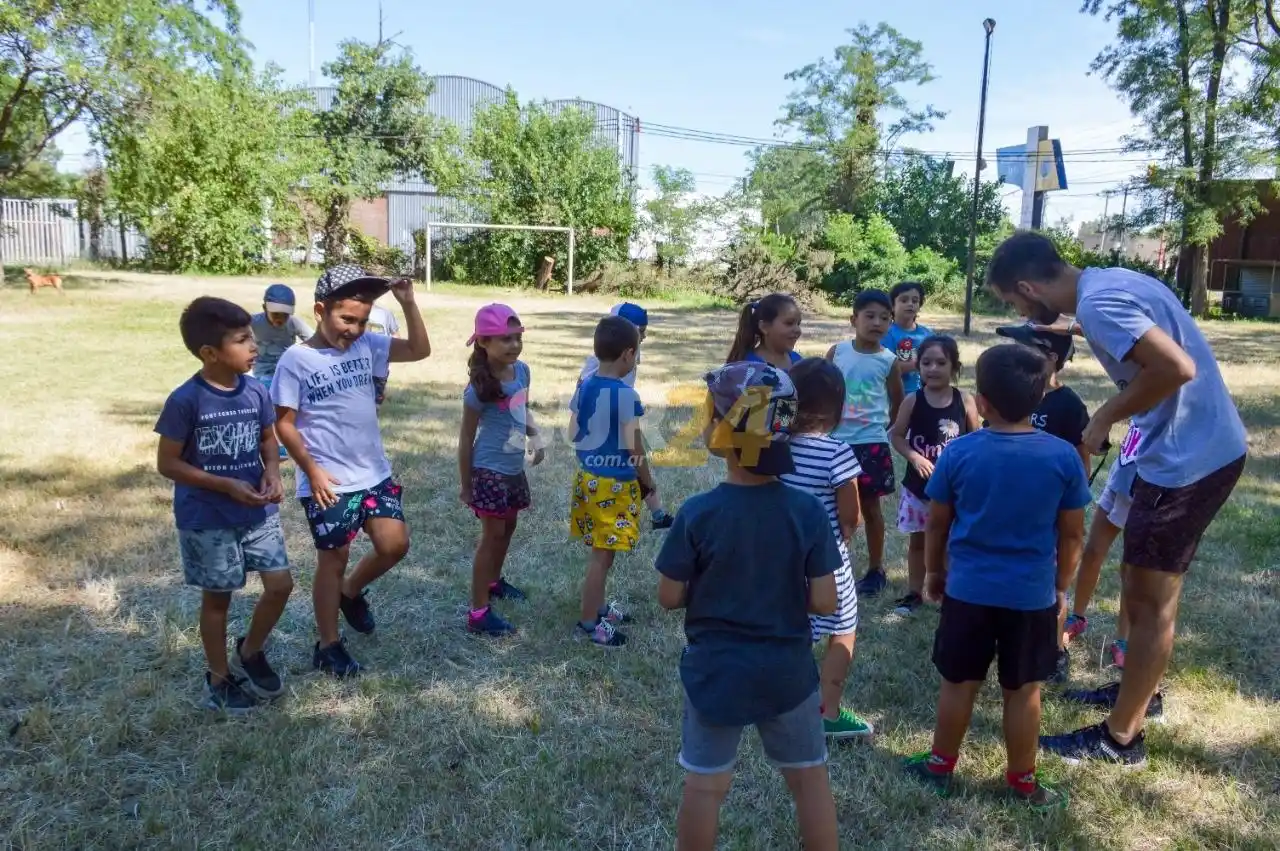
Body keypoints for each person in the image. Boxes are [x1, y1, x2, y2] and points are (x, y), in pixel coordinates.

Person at [986, 231, 1247, 767]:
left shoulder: (1101, 302)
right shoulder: (1110, 284)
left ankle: (1120, 739)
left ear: (1027, 286)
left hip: (1187, 458)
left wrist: (1103, 417)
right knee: (1142, 583)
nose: (1021, 313)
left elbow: (1176, 368)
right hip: (1192, 447)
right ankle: (1139, 694)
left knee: (1150, 598)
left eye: (1013, 302)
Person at [657, 361, 839, 851]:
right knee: (809, 780)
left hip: (715, 673)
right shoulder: (806, 510)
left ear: (724, 431)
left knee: (705, 785)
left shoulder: (697, 513)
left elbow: (669, 596)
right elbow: (824, 599)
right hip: (788, 672)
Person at [903, 344, 1089, 809]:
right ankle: (1023, 781)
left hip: (967, 591)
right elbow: (1072, 536)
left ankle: (940, 766)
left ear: (980, 403)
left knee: (958, 683)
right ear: (1041, 398)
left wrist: (933, 573)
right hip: (1031, 597)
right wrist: (1061, 588)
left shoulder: (960, 453)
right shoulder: (1064, 457)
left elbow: (938, 523)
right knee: (1025, 692)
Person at [271, 264, 432, 678]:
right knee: (333, 559)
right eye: (346, 319)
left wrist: (409, 304)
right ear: (320, 310)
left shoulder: (368, 346)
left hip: (373, 473)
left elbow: (419, 351)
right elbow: (284, 423)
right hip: (328, 482)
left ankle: (350, 592)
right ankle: (328, 645)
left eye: (362, 321)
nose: (354, 330)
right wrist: (313, 471)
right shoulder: (297, 360)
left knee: (395, 545)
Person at [155, 296, 292, 714]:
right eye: (242, 340)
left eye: (252, 337)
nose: (254, 346)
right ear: (210, 353)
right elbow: (168, 463)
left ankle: (249, 651)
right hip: (207, 517)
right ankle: (218, 677)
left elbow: (269, 439)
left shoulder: (255, 390)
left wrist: (272, 472)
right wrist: (224, 485)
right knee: (218, 600)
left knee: (281, 585)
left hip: (256, 511)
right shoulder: (186, 400)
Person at [780, 357, 874, 740]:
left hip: (782, 560)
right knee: (842, 629)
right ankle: (827, 711)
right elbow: (850, 514)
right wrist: (850, 529)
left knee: (792, 630)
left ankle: (782, 701)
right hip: (827, 563)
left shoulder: (776, 448)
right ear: (838, 408)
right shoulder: (837, 453)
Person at [459, 303, 545, 637]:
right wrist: (466, 485)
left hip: (511, 469)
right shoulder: (478, 388)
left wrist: (535, 436)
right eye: (503, 339)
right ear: (483, 342)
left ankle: (494, 582)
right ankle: (478, 612)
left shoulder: (522, 371)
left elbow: (522, 409)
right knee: (491, 537)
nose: (513, 345)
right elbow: (466, 439)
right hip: (488, 470)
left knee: (508, 529)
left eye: (516, 337)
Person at [569, 316, 656, 647]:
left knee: (602, 550)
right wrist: (648, 481)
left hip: (589, 479)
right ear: (628, 354)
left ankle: (600, 606)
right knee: (602, 557)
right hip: (614, 485)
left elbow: (578, 430)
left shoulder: (587, 384)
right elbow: (635, 447)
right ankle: (589, 623)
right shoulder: (625, 395)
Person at [887, 335, 979, 616]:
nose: (933, 368)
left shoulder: (964, 400)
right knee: (918, 541)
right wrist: (914, 457)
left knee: (951, 542)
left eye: (941, 362)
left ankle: (949, 593)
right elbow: (897, 435)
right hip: (918, 488)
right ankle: (914, 592)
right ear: (918, 366)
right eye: (926, 362)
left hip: (954, 491)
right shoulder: (912, 401)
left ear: (954, 367)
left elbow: (976, 439)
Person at [826, 289, 905, 597]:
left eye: (885, 318)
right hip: (836, 442)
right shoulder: (838, 352)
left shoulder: (889, 361)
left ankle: (875, 569)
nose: (877, 323)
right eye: (870, 316)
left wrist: (880, 431)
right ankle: (831, 566)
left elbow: (897, 404)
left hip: (871, 444)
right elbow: (824, 389)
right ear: (853, 319)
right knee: (834, 507)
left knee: (871, 508)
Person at [577, 302, 674, 530]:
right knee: (635, 465)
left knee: (635, 465)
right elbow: (585, 393)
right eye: (640, 333)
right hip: (610, 434)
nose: (644, 338)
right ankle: (654, 513)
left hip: (618, 425)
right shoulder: (600, 364)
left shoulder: (625, 358)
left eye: (644, 333)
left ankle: (658, 514)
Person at [250, 284, 313, 460]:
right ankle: (272, 444)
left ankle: (286, 443)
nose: (280, 319)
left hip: (286, 371)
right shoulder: (253, 322)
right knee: (268, 402)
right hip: (261, 371)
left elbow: (314, 340)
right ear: (264, 308)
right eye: (275, 314)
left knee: (290, 405)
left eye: (285, 315)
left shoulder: (293, 323)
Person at [724, 293, 803, 370]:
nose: (797, 330)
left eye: (798, 324)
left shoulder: (799, 362)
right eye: (789, 323)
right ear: (764, 327)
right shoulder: (746, 368)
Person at [882, 281, 934, 396]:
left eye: (915, 301)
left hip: (924, 396)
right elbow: (885, 367)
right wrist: (918, 364)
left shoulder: (928, 335)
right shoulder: (886, 334)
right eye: (904, 300)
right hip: (894, 397)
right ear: (892, 306)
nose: (910, 304)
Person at [364, 297, 401, 406]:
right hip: (359, 365)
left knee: (375, 402)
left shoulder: (385, 314)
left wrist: (390, 357)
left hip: (379, 367)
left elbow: (396, 337)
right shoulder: (355, 313)